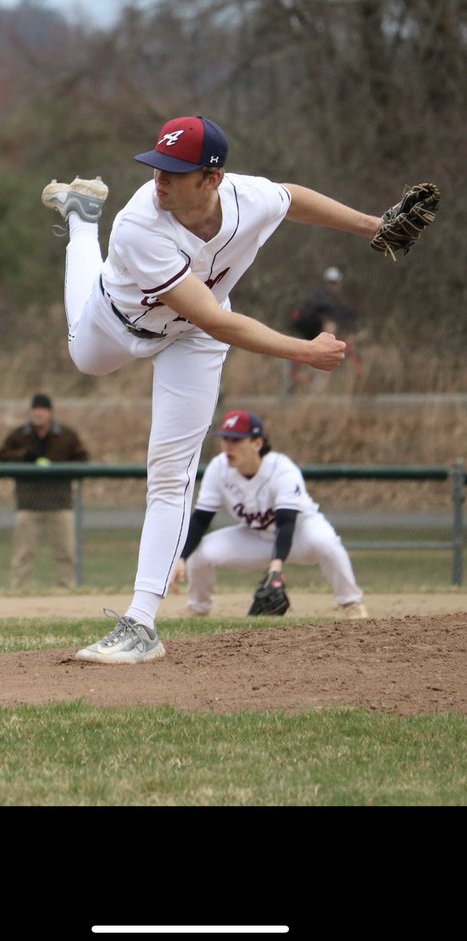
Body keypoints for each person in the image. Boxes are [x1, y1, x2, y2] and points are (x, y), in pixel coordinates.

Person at [41, 114, 382, 663]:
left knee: (170, 472)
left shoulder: (246, 197)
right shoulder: (139, 224)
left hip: (194, 338)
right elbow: (220, 320)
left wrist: (373, 226)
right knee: (83, 353)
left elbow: (291, 198)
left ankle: (141, 624)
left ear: (212, 178)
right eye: (158, 166)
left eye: (176, 171)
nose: (160, 179)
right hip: (122, 321)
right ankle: (84, 223)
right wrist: (303, 351)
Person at [170, 408, 368, 620]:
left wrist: (277, 565)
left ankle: (351, 603)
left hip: (299, 532)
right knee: (200, 555)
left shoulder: (282, 469)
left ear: (257, 443)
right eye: (225, 439)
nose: (228, 446)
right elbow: (201, 518)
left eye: (236, 440)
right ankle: (198, 609)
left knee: (326, 543)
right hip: (255, 536)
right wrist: (181, 556)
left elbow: (286, 522)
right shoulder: (218, 468)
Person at [0, 393, 89, 589]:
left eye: (43, 409)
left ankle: (67, 590)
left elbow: (83, 460)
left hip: (59, 502)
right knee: (23, 553)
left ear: (50, 413)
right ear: (31, 412)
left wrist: (60, 467)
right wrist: (24, 456)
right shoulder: (19, 436)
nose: (39, 413)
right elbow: (2, 457)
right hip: (28, 502)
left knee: (66, 552)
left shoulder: (66, 435)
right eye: (35, 409)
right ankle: (19, 590)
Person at [288, 266, 361, 388]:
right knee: (330, 330)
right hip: (307, 327)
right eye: (331, 283)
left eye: (335, 283)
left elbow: (339, 312)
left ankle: (307, 377)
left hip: (305, 328)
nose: (333, 285)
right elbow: (336, 312)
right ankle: (308, 377)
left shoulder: (323, 296)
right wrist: (352, 319)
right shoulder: (323, 297)